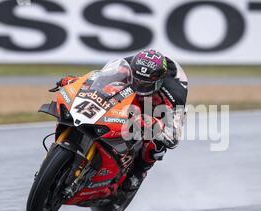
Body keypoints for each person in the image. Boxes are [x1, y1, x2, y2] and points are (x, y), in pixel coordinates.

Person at [56, 49, 188, 192]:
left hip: (161, 101)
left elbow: (173, 137)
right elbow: (98, 79)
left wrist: (155, 123)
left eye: (145, 84)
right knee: (109, 88)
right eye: (136, 80)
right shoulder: (128, 66)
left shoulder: (174, 95)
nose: (139, 86)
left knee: (156, 140)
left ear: (158, 81)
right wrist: (75, 81)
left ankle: (139, 173)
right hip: (137, 70)